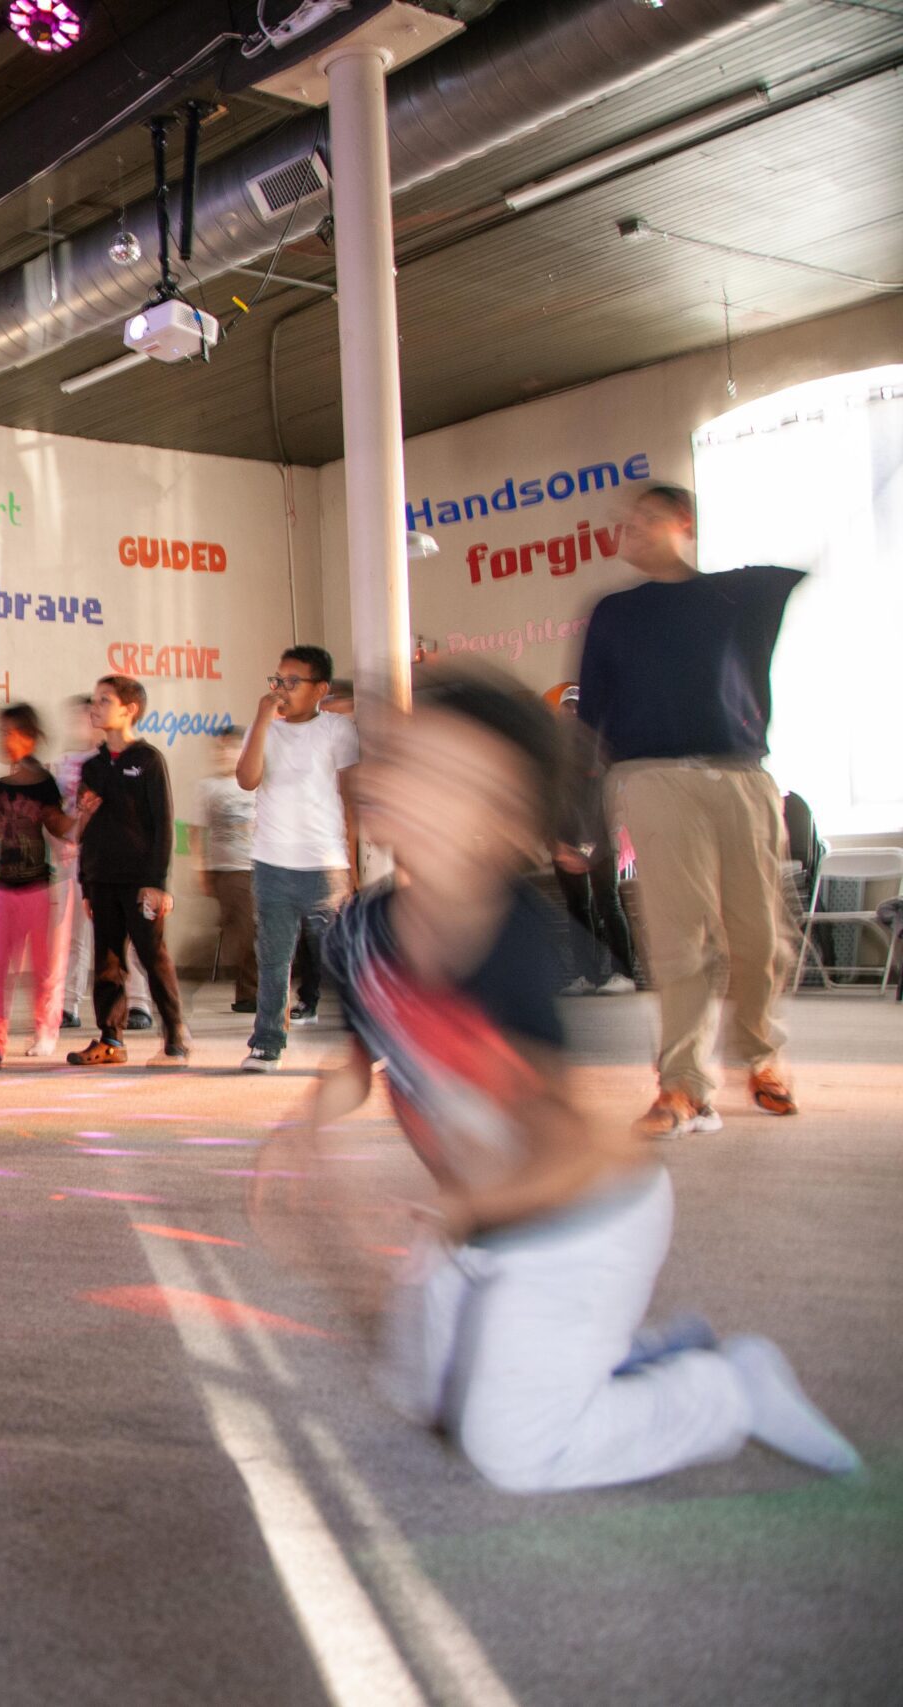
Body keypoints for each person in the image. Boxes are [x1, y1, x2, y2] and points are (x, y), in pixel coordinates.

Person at [251, 667, 858, 1492]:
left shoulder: (517, 946)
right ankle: (639, 1352)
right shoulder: (361, 929)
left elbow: (556, 1140)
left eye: (448, 778)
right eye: (406, 761)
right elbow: (357, 1064)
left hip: (577, 1223)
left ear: (502, 827)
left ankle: (725, 1391)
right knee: (420, 1395)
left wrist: (449, 1216)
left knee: (510, 1448)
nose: (404, 784)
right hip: (478, 1218)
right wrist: (308, 1129)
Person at [578, 484, 805, 1139]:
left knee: (758, 937)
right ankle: (682, 1083)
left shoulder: (744, 595)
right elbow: (590, 714)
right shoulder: (614, 612)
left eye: (647, 518)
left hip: (740, 777)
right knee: (680, 938)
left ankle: (762, 1056)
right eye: (626, 522)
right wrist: (578, 807)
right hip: (652, 779)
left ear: (685, 522)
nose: (631, 530)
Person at [238, 646, 360, 1073]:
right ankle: (267, 1043)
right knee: (274, 960)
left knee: (342, 958)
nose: (282, 690)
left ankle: (369, 1040)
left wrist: (354, 867)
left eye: (293, 682)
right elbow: (247, 779)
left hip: (325, 864)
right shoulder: (266, 730)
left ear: (320, 689)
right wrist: (260, 720)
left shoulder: (337, 730)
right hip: (272, 863)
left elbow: (351, 799)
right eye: (277, 681)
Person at [67, 674, 188, 1067]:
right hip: (101, 879)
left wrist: (158, 883)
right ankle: (111, 1041)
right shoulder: (93, 766)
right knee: (107, 963)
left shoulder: (148, 760)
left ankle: (175, 1039)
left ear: (129, 709)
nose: (95, 707)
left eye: (105, 700)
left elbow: (163, 824)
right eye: (94, 700)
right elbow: (84, 832)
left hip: (140, 882)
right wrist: (86, 884)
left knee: (153, 957)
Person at [0, 702, 74, 1067]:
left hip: (38, 888)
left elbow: (57, 826)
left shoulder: (45, 784)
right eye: (0, 733)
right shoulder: (0, 785)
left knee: (43, 966)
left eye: (10, 733)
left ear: (30, 738)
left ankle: (46, 1031)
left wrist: (82, 820)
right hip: (5, 889)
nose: (3, 739)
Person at [56, 694, 150, 1030]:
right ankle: (68, 1003)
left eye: (94, 711)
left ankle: (139, 1003)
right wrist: (64, 844)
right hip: (82, 860)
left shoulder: (131, 759)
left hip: (123, 859)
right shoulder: (69, 763)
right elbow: (58, 814)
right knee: (76, 934)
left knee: (130, 933)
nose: (89, 719)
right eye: (84, 714)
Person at [545, 683, 638, 995]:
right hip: (566, 837)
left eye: (576, 708)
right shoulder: (556, 752)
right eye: (567, 708)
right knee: (577, 908)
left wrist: (597, 840)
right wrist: (555, 842)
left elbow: (609, 796)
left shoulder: (601, 750)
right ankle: (587, 974)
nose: (571, 713)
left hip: (599, 836)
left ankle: (622, 972)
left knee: (608, 902)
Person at [191, 726, 257, 1013]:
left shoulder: (257, 783)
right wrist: (201, 870)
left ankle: (252, 992)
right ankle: (249, 994)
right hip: (228, 870)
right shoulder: (208, 787)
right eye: (219, 749)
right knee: (245, 930)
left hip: (261, 867)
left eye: (230, 748)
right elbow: (197, 832)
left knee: (254, 930)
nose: (223, 754)